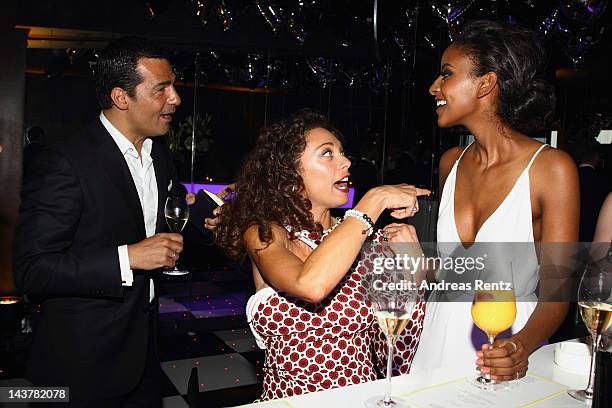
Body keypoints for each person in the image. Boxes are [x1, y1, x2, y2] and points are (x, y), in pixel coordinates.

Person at [13, 36, 185, 407]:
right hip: (81, 368)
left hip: (146, 358)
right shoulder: (65, 161)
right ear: (121, 98)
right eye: (162, 89)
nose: (175, 99)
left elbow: (163, 221)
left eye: (173, 86)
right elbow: (31, 269)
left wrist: (214, 218)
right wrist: (128, 258)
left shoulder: (160, 155)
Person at [404, 20, 579, 381]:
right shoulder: (450, 162)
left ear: (486, 83)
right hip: (435, 344)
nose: (433, 87)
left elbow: (558, 293)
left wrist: (521, 346)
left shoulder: (551, 168)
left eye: (446, 75)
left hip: (507, 351)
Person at [213, 109, 429, 400]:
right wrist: (373, 201)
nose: (346, 162)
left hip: (357, 400)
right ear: (289, 173)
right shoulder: (265, 233)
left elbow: (394, 354)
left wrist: (412, 274)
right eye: (327, 154)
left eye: (342, 153)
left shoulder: (368, 241)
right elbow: (310, 285)